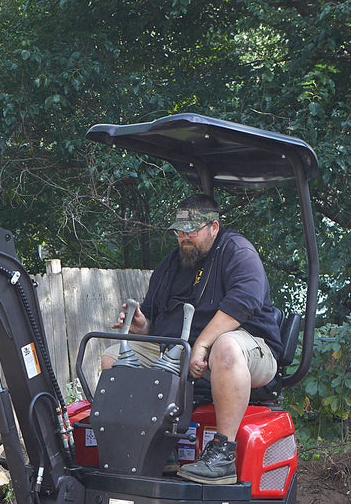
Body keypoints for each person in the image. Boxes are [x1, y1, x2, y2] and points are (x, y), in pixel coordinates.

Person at [101, 193, 282, 484]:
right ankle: (154, 445)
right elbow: (153, 321)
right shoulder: (170, 265)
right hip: (181, 352)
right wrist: (141, 325)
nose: (185, 237)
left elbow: (244, 302)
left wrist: (202, 345)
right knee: (111, 358)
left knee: (224, 348)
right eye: (180, 231)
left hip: (249, 350)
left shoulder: (237, 251)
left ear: (214, 227)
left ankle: (223, 453)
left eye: (193, 231)